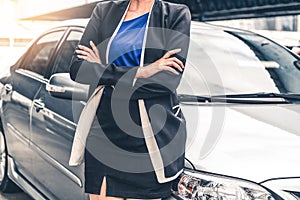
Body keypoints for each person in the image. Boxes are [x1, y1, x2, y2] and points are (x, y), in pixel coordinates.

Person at [69, 0, 191, 199]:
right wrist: (141, 72)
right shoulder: (104, 11)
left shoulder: (175, 15)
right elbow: (78, 69)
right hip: (105, 130)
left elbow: (166, 81)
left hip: (150, 137)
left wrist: (104, 71)